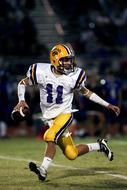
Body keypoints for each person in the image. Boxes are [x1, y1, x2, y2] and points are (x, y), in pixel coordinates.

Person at [13, 43, 120, 181]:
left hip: (65, 113)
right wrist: (21, 100)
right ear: (55, 59)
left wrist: (108, 104)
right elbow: (22, 83)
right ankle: (100, 145)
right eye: (65, 60)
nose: (69, 63)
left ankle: (43, 169)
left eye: (70, 59)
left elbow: (87, 93)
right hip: (49, 117)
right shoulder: (40, 71)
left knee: (50, 136)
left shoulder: (75, 75)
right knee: (71, 153)